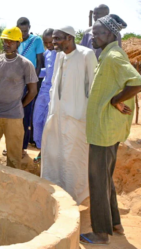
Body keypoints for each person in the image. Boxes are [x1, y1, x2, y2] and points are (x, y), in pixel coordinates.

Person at [80, 14, 140, 246]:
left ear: (111, 35)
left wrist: (115, 99)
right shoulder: (108, 55)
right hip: (104, 130)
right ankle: (115, 223)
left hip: (103, 133)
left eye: (97, 33)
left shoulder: (113, 56)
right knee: (104, 178)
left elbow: (136, 82)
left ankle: (101, 233)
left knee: (97, 179)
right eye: (92, 32)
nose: (92, 36)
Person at [41, 26, 97, 205]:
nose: (54, 42)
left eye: (57, 39)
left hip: (77, 117)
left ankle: (75, 198)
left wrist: (88, 115)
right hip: (57, 115)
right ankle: (58, 195)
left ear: (69, 38)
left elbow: (93, 88)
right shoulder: (59, 56)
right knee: (55, 155)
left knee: (74, 159)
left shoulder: (86, 54)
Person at [0, 27, 38, 168]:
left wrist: (19, 105)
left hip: (14, 116)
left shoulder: (25, 64)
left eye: (11, 41)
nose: (7, 44)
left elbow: (32, 91)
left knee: (14, 156)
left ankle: (12, 186)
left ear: (18, 43)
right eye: (5, 41)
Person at [16, 17, 44, 156]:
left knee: (26, 113)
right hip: (15, 82)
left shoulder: (36, 40)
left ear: (29, 27)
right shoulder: (14, 39)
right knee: (14, 114)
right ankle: (12, 145)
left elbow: (40, 62)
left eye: (25, 30)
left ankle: (22, 147)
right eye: (21, 31)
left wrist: (33, 81)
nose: (23, 33)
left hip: (29, 82)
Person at [32, 28, 57, 162]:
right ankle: (42, 148)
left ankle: (45, 154)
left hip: (55, 94)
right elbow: (47, 72)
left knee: (50, 124)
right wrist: (32, 72)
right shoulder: (46, 54)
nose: (49, 45)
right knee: (37, 120)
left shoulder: (63, 55)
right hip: (43, 92)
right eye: (46, 42)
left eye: (50, 42)